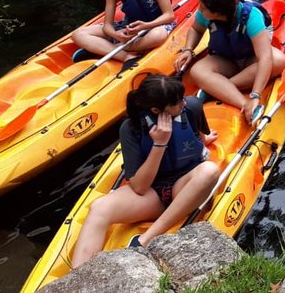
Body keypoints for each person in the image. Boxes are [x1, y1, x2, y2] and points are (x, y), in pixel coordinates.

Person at [70, 75, 220, 265]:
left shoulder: (192, 106)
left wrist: (204, 140)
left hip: (185, 186)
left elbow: (195, 134)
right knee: (100, 208)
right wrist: (159, 143)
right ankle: (78, 276)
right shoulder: (131, 128)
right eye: (176, 102)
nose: (183, 102)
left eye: (182, 97)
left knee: (209, 170)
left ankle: (143, 241)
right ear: (156, 110)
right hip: (152, 194)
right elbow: (139, 187)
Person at [177, 0, 285, 124]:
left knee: (278, 60)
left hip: (251, 60)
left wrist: (255, 95)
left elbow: (265, 58)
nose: (199, 9)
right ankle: (245, 105)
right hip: (225, 59)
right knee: (197, 71)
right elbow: (196, 30)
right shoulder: (205, 14)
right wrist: (188, 49)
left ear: (217, 13)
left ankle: (215, 89)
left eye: (203, 8)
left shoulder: (252, 16)